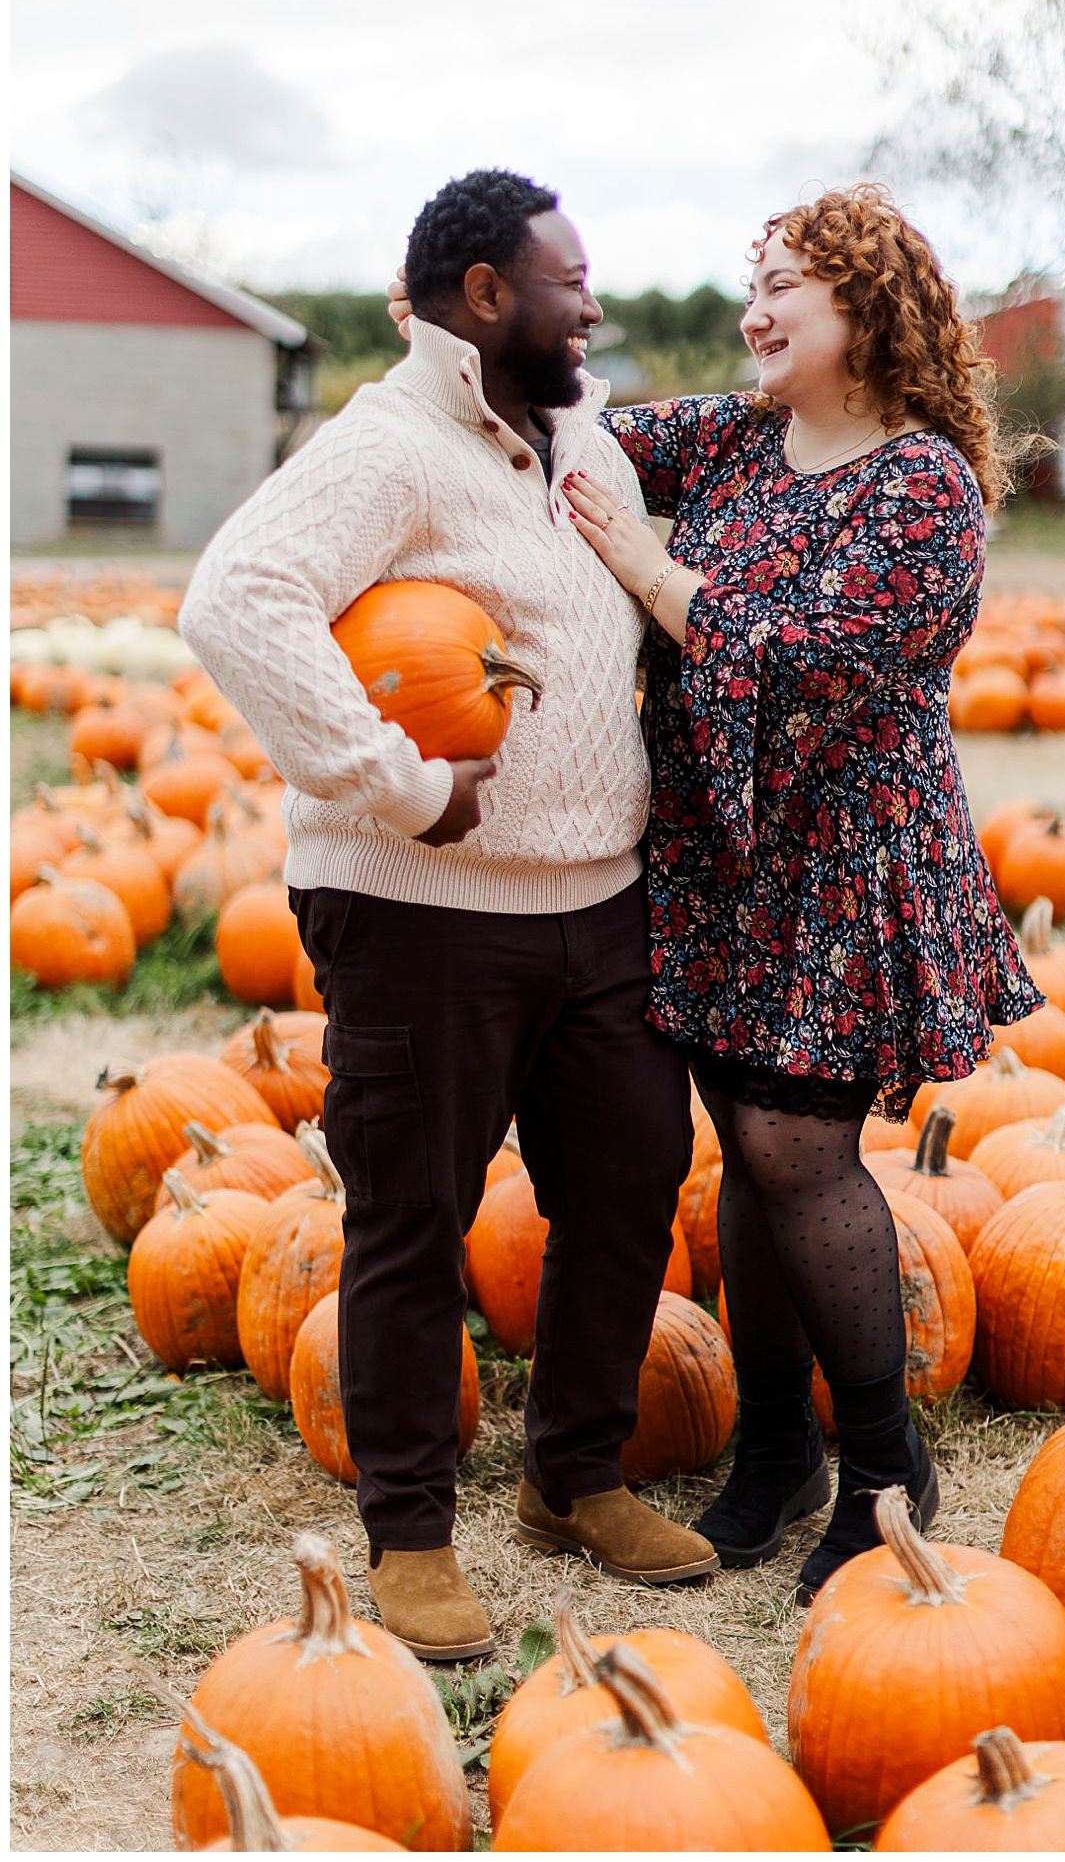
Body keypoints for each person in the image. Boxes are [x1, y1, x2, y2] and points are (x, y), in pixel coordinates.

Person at [397, 184, 1045, 1603]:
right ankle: (771, 1445)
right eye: (752, 282)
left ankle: (881, 1460)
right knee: (747, 1152)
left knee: (802, 1154)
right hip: (722, 857)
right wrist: (464, 347)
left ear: (867, 312)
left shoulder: (922, 483)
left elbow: (817, 660)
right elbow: (580, 437)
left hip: (841, 860)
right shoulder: (738, 440)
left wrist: (648, 568)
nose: (754, 311)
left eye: (785, 289)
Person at [179, 169, 718, 1664]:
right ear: (487, 295)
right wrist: (398, 783)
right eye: (572, 276)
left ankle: (573, 1476)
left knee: (626, 1183)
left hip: (597, 900)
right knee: (412, 1216)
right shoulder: (392, 446)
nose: (594, 300)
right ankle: (412, 1533)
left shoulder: (579, 432)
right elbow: (236, 596)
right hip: (421, 907)